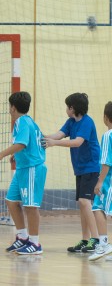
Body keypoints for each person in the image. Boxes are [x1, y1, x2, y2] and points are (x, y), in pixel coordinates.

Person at [0, 91, 47, 255]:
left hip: (32, 168)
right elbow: (30, 144)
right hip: (23, 167)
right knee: (11, 200)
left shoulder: (22, 121)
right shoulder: (28, 121)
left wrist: (1, 154)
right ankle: (22, 237)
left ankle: (35, 243)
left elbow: (22, 143)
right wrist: (17, 155)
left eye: (9, 106)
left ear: (13, 107)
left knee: (31, 206)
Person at [43, 93, 100, 253]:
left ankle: (95, 240)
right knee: (82, 204)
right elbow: (58, 135)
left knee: (84, 201)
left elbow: (77, 142)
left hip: (91, 167)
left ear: (72, 108)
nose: (66, 109)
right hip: (80, 168)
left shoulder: (87, 122)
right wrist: (41, 136)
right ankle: (85, 239)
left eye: (67, 106)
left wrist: (54, 143)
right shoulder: (71, 122)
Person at [88, 101, 112, 261]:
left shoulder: (108, 135)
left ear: (105, 117)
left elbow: (106, 162)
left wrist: (99, 182)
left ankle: (103, 244)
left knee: (97, 207)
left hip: (109, 182)